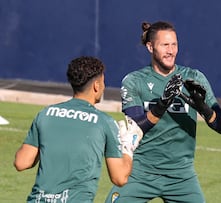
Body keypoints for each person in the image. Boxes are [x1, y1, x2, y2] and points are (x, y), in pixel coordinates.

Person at [106, 21, 221, 202]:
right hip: (140, 171)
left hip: (181, 175)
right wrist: (162, 104)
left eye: (174, 44)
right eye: (165, 45)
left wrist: (203, 108)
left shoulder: (193, 78)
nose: (171, 51)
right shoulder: (134, 81)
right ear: (150, 47)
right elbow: (136, 127)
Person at [14, 56, 143, 203]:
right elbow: (120, 177)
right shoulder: (105, 122)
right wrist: (128, 147)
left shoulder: (45, 114)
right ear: (96, 85)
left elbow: (21, 162)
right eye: (103, 82)